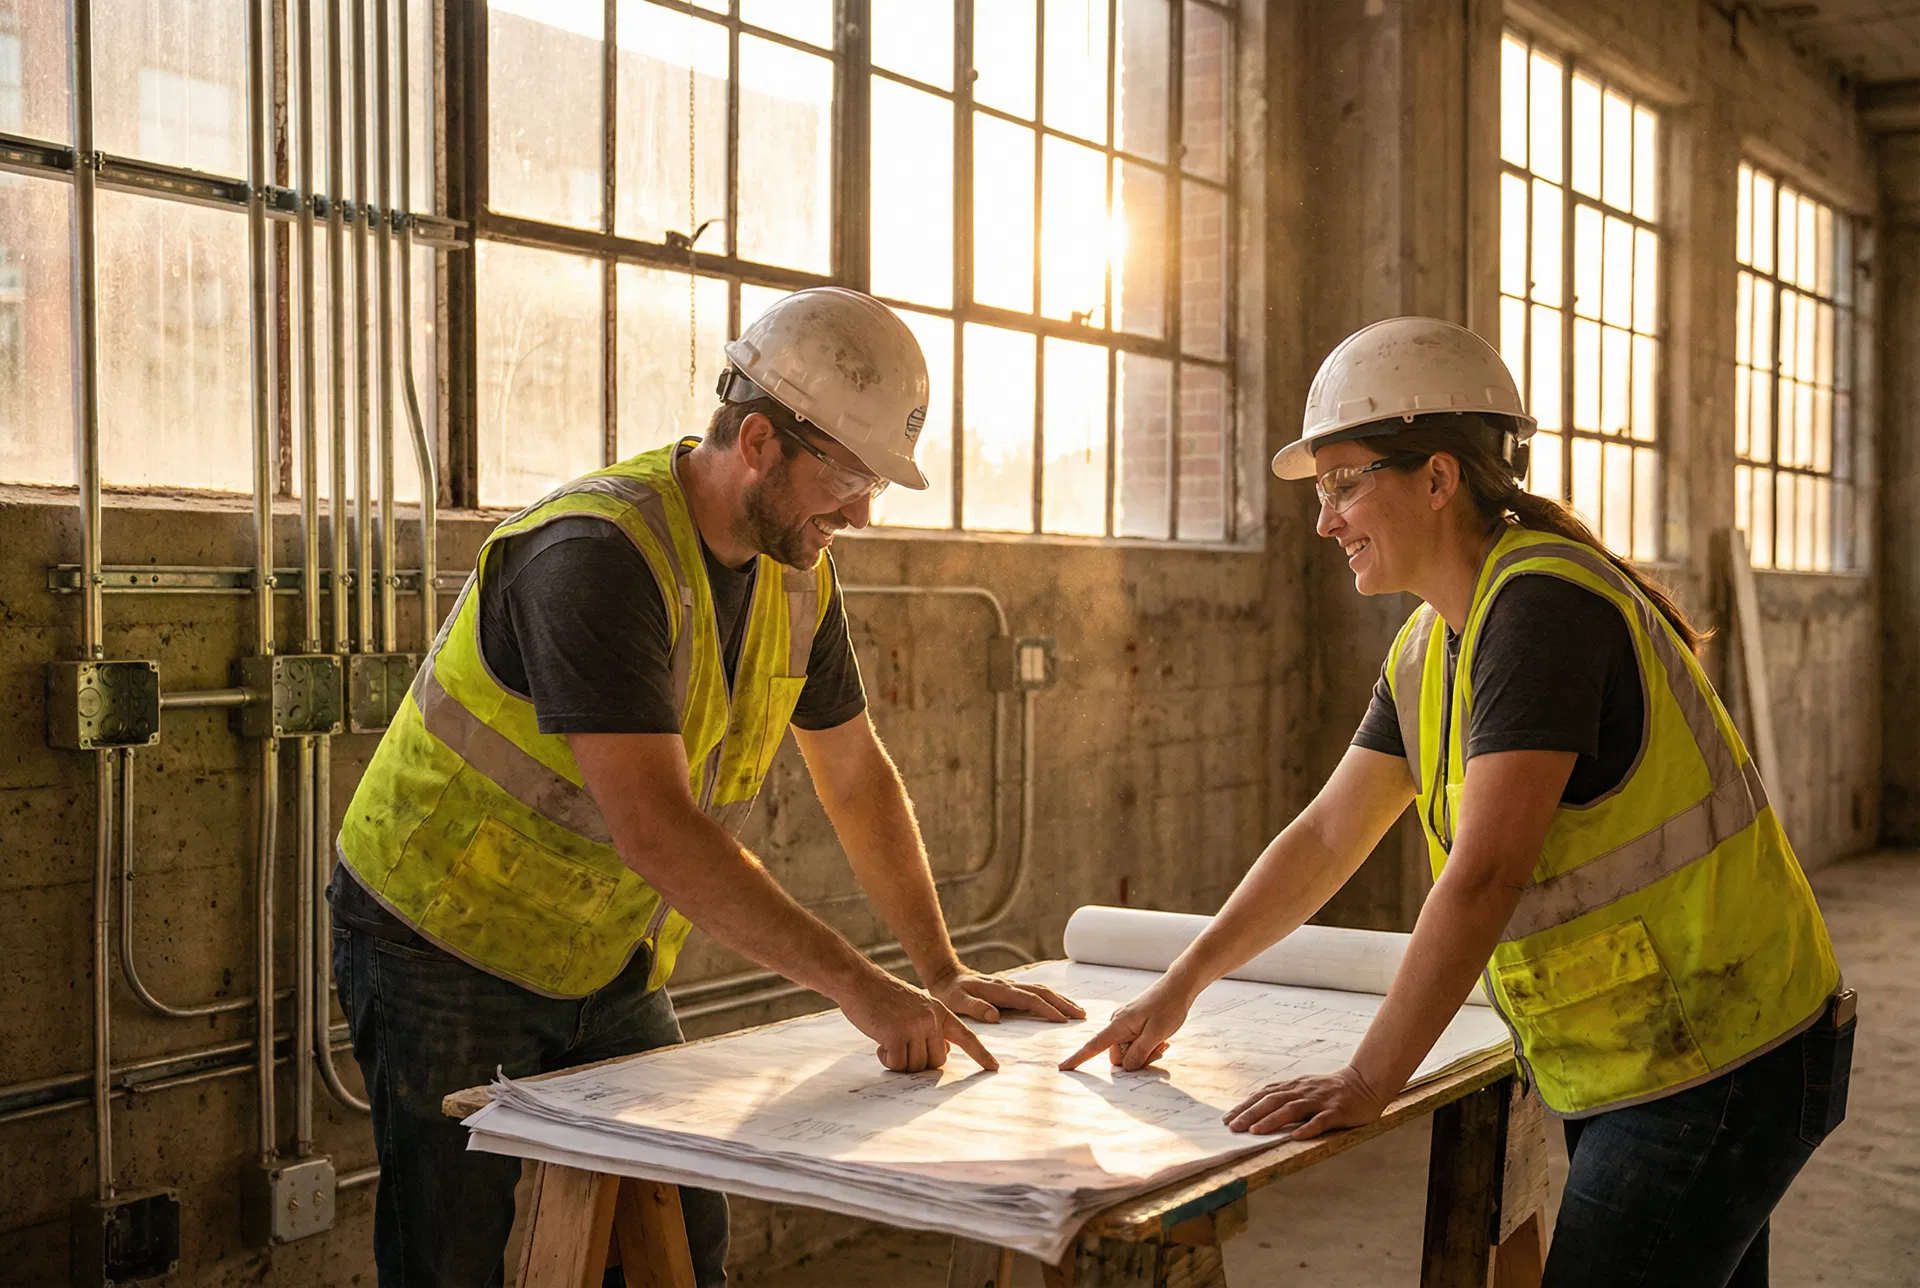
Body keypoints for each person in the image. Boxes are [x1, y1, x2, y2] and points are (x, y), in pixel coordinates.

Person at [1061, 317, 1853, 1288]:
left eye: (1345, 485)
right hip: (1644, 1054)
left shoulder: (1541, 610)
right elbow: (1325, 835)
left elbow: (1485, 874)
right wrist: (1175, 988)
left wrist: (1368, 1079)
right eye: (1322, 493)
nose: (1325, 521)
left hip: (1718, 1055)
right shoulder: (1429, 648)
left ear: (1438, 479)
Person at [328, 286, 1082, 1288]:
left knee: (680, 1239)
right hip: (437, 934)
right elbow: (659, 830)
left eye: (877, 486)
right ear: (761, 441)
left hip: (602, 952)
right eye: (850, 475)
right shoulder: (595, 554)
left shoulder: (798, 571)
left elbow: (854, 774)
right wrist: (865, 988)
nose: (859, 513)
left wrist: (938, 968)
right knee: (449, 1251)